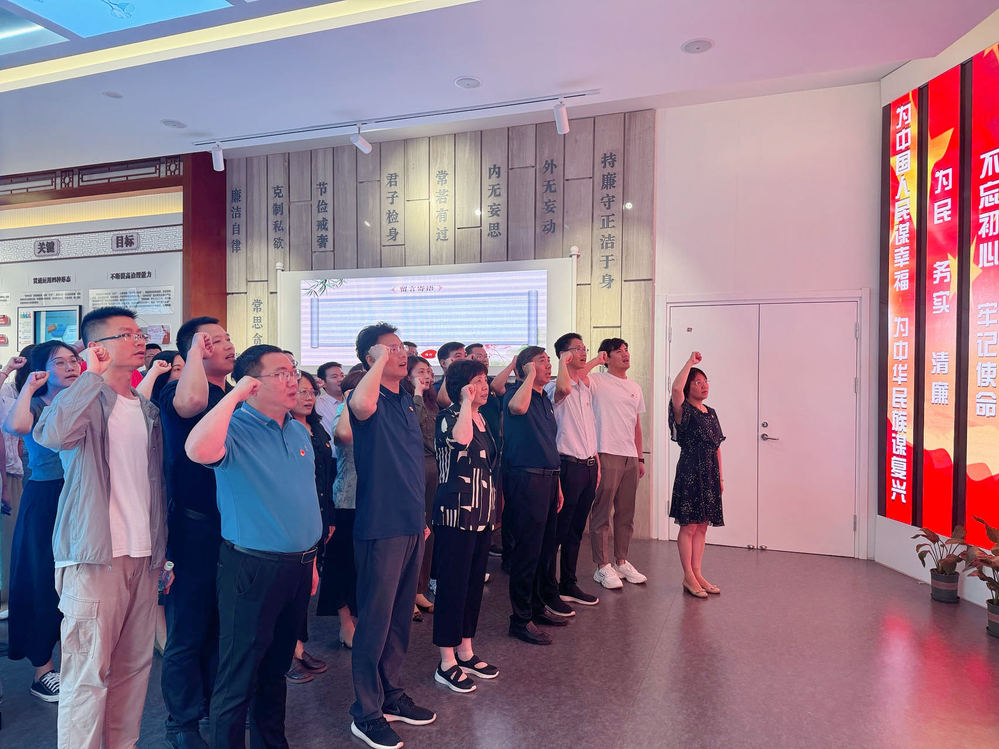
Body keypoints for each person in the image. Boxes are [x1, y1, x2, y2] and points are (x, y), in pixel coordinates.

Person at [34, 306, 170, 749]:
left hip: (143, 557)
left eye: (139, 333)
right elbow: (51, 435)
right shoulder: (85, 401)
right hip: (94, 557)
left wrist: (161, 555)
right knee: (86, 674)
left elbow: (152, 487)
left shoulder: (147, 409)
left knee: (133, 671)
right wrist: (90, 375)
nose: (139, 340)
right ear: (97, 347)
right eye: (126, 334)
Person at [185, 344, 321, 748]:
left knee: (276, 669)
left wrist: (311, 560)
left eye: (293, 371)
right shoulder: (233, 427)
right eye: (281, 373)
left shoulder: (297, 429)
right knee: (238, 675)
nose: (293, 380)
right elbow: (196, 450)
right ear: (251, 384)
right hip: (252, 568)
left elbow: (304, 500)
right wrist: (234, 396)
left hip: (299, 566)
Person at [348, 323, 436, 749]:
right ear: (371, 358)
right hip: (380, 525)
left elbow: (409, 463)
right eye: (391, 348)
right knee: (375, 621)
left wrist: (420, 516)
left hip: (410, 522)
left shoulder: (403, 399)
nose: (402, 353)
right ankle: (365, 712)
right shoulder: (364, 397)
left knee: (401, 617)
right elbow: (361, 406)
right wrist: (379, 359)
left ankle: (391, 694)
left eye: (402, 347)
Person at [158, 317, 235, 748]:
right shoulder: (178, 391)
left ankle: (213, 705)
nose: (227, 344)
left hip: (233, 527)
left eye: (227, 338)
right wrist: (192, 352)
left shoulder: (233, 392)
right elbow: (191, 403)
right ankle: (182, 722)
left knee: (223, 624)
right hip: (194, 528)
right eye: (214, 340)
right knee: (188, 628)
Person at [2, 341, 81, 702]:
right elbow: (15, 426)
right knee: (43, 582)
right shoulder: (33, 404)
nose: (70, 366)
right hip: (46, 498)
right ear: (41, 371)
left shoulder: (83, 400)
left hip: (81, 495)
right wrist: (30, 385)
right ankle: (42, 671)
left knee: (78, 583)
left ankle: (73, 663)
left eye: (73, 360)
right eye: (59, 363)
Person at [431, 359, 500, 693]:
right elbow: (460, 442)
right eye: (477, 381)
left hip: (481, 515)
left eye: (485, 380)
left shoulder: (483, 418)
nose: (484, 387)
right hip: (455, 515)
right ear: (461, 387)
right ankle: (446, 661)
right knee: (452, 586)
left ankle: (466, 651)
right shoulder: (448, 417)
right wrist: (463, 404)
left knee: (473, 585)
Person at [541, 334, 606, 612]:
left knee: (576, 531)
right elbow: (564, 389)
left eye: (584, 348)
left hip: (588, 466)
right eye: (577, 349)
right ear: (563, 355)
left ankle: (568, 583)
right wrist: (563, 362)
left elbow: (589, 428)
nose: (583, 352)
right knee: (558, 532)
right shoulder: (555, 387)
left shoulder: (584, 388)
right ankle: (548, 589)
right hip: (567, 466)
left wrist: (596, 462)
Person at [502, 346, 562, 646]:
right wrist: (526, 376)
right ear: (526, 368)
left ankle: (537, 608)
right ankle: (520, 619)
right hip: (527, 479)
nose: (548, 365)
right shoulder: (516, 394)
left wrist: (558, 483)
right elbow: (517, 409)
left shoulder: (543, 399)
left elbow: (549, 443)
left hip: (549, 479)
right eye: (541, 361)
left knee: (545, 549)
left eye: (548, 361)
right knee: (527, 550)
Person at [286, 371, 335, 684]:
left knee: (305, 589)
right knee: (290, 591)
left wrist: (328, 518)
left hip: (318, 516)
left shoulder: (317, 428)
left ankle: (299, 648)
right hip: (294, 519)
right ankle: (287, 654)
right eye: (301, 391)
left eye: (311, 392)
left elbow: (327, 477)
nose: (307, 397)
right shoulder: (283, 428)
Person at [589, 338, 648, 589]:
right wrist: (595, 361)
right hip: (606, 451)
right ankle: (602, 566)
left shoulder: (634, 386)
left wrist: (640, 457)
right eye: (619, 351)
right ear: (607, 356)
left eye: (627, 350)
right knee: (602, 512)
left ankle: (621, 561)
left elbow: (636, 424)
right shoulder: (596, 380)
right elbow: (575, 378)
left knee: (626, 513)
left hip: (630, 456)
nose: (626, 354)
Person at [669, 352, 725, 598]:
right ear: (689, 387)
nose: (704, 386)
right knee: (689, 526)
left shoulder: (711, 412)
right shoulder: (683, 410)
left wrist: (720, 477)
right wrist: (690, 362)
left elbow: (717, 446)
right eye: (698, 382)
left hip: (710, 472)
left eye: (705, 382)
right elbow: (675, 389)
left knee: (702, 526)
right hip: (690, 471)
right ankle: (688, 576)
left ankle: (698, 573)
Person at [317, 370, 364, 649]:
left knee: (364, 567)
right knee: (343, 564)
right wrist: (348, 401)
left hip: (376, 501)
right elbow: (343, 437)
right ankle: (345, 622)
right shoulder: (344, 414)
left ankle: (360, 618)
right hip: (348, 500)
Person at [402, 355, 438, 619]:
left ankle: (420, 589)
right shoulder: (406, 401)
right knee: (416, 531)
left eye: (429, 372)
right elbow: (413, 429)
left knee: (430, 531)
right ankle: (406, 595)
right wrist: (416, 392)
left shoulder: (432, 401)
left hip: (436, 467)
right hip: (416, 467)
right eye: (420, 372)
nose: (427, 376)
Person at [315, 361, 345, 436]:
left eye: (342, 375)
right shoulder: (318, 404)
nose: (341, 379)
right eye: (334, 377)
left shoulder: (350, 400)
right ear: (323, 383)